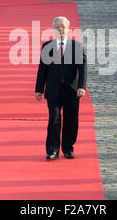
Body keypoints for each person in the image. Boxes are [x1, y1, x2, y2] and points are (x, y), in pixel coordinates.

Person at [35, 16, 87, 160]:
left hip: (71, 90)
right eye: (57, 26)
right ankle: (52, 150)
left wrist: (82, 87)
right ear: (53, 29)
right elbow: (42, 69)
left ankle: (68, 148)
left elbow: (82, 69)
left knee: (71, 120)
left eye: (63, 26)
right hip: (53, 89)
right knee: (54, 118)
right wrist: (39, 89)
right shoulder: (47, 46)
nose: (60, 29)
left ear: (68, 28)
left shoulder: (77, 47)